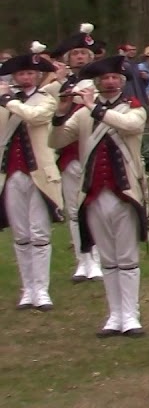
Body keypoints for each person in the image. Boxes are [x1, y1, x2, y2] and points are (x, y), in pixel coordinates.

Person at [49, 55, 149, 337]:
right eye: (105, 78)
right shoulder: (81, 114)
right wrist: (62, 110)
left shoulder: (134, 108)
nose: (110, 81)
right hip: (92, 193)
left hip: (125, 192)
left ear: (122, 82)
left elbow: (131, 126)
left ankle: (131, 315)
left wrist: (93, 106)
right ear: (98, 82)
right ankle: (114, 315)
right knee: (108, 258)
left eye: (115, 78)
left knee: (127, 257)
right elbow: (55, 141)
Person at [0, 49, 64, 311]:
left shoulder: (46, 99)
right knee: (21, 234)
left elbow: (35, 117)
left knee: (39, 233)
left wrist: (7, 100)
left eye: (29, 73)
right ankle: (27, 289)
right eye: (21, 73)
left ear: (37, 76)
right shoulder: (5, 101)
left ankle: (42, 289)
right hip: (11, 173)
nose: (25, 77)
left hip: (39, 174)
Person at [45, 26, 105, 282]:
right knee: (73, 208)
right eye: (75, 53)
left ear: (92, 57)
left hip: (95, 151)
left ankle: (101, 258)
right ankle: (83, 259)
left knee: (97, 207)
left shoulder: (101, 82)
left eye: (84, 53)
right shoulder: (60, 85)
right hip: (69, 153)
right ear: (67, 59)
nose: (80, 57)